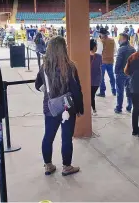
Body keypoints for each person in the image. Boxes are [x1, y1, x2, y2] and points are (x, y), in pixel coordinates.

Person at [34, 36, 84, 176]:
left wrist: (49, 93)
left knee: (48, 136)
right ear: (63, 49)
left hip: (50, 107)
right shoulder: (70, 66)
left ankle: (48, 165)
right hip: (67, 108)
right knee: (66, 138)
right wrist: (80, 108)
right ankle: (67, 167)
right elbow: (76, 90)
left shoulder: (44, 67)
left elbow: (37, 85)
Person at [114, 33, 135, 114]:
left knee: (120, 91)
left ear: (124, 39)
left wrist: (116, 71)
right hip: (130, 73)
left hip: (121, 72)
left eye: (120, 38)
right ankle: (129, 107)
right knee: (129, 90)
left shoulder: (121, 49)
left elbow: (118, 61)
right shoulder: (133, 49)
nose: (119, 40)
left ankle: (119, 108)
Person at [97, 28, 116, 97]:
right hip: (110, 61)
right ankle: (114, 90)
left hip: (102, 61)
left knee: (101, 77)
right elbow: (115, 50)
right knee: (112, 76)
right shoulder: (112, 40)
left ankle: (102, 92)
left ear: (101, 34)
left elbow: (99, 52)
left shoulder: (100, 41)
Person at [90, 39, 102, 116]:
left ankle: (93, 109)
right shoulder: (99, 57)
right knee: (92, 95)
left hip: (88, 79)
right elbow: (100, 66)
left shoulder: (84, 56)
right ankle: (94, 110)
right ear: (94, 47)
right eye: (96, 46)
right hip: (96, 80)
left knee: (90, 95)